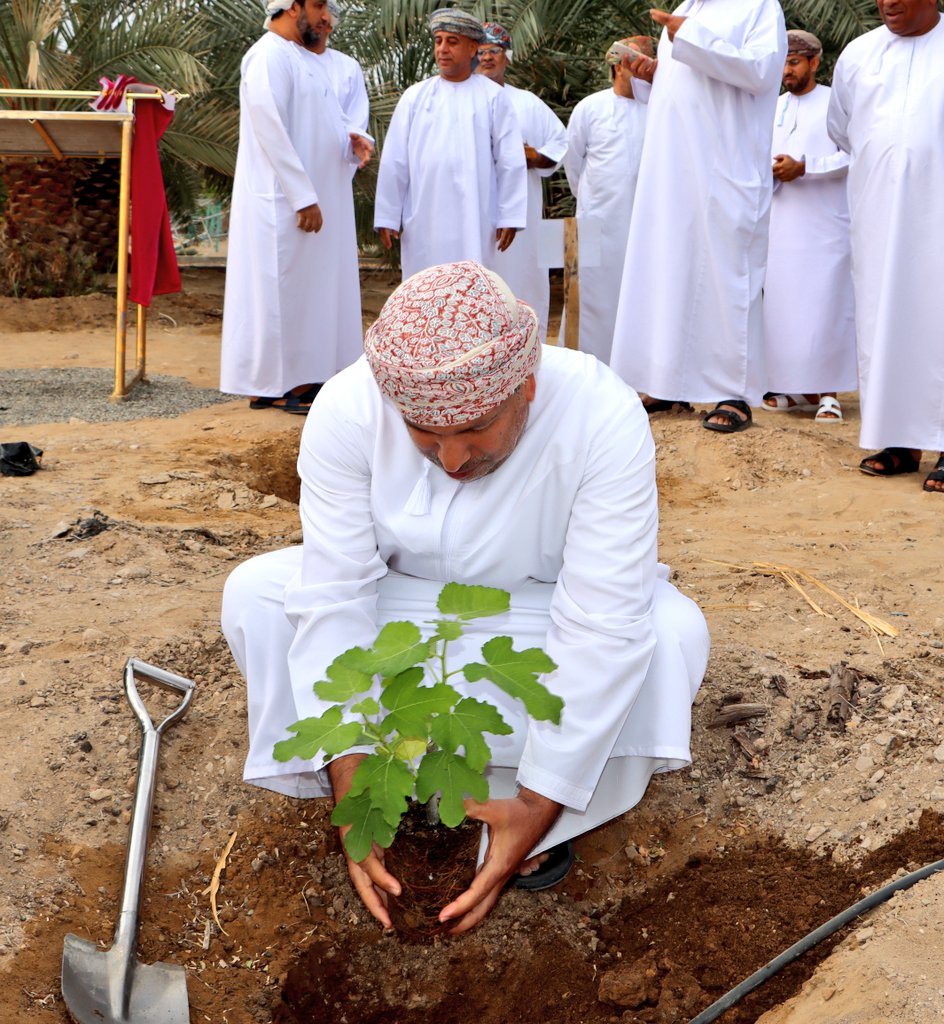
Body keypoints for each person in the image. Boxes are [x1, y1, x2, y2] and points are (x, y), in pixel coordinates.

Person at [222, 261, 710, 933]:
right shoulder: (346, 407)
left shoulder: (601, 413)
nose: (452, 461)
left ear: (527, 386)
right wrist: (357, 793)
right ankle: (388, 782)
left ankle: (529, 807)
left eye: (474, 430)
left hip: (539, 611)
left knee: (673, 632)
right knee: (256, 594)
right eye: (426, 436)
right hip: (402, 608)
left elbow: (601, 615)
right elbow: (336, 595)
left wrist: (544, 800)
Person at [608, 1, 787, 432]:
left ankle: (734, 393)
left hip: (723, 167)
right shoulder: (688, 6)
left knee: (726, 277)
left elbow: (762, 71)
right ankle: (667, 382)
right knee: (670, 271)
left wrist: (690, 37)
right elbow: (689, 85)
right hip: (673, 169)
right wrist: (656, 74)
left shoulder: (759, 7)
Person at [220, 0, 372, 415]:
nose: (327, 18)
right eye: (319, 6)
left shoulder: (301, 59)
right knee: (280, 290)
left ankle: (303, 380)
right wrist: (302, 195)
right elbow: (271, 129)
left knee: (306, 291)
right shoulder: (268, 54)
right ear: (291, 6)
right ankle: (275, 385)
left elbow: (323, 122)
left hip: (313, 199)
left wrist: (349, 141)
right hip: (285, 203)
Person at [827, 0, 944, 493]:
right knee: (886, 320)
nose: (888, 2)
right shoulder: (857, 54)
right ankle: (899, 440)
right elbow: (842, 129)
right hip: (879, 214)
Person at [373, 8, 528, 281]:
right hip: (424, 217)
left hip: (476, 216)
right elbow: (395, 160)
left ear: (472, 49)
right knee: (424, 288)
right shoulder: (415, 97)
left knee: (474, 287)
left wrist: (510, 216)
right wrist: (387, 215)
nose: (442, 49)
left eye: (452, 42)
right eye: (438, 41)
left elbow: (510, 160)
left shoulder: (493, 97)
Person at [762, 29, 856, 424]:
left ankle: (830, 393)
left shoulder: (835, 100)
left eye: (795, 62)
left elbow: (855, 153)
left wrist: (806, 167)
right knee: (784, 306)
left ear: (815, 62)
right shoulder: (771, 105)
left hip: (825, 224)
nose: (787, 70)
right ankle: (796, 386)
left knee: (825, 304)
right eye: (783, 62)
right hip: (780, 223)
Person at [475, 22, 567, 341]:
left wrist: (532, 157)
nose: (487, 57)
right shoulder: (458, 99)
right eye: (480, 51)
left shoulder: (527, 102)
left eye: (494, 51)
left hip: (522, 218)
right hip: (472, 211)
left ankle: (527, 357)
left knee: (522, 281)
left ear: (507, 57)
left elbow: (558, 144)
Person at [562, 37, 652, 364]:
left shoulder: (660, 108)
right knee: (593, 295)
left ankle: (641, 371)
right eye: (635, 64)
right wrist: (592, 202)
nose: (642, 72)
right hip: (598, 221)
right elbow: (573, 162)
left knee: (645, 295)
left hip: (647, 226)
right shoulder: (590, 107)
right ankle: (592, 366)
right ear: (617, 67)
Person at [305, 0, 370, 135]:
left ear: (329, 26)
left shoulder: (348, 68)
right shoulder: (283, 57)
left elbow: (356, 125)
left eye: (323, 19)